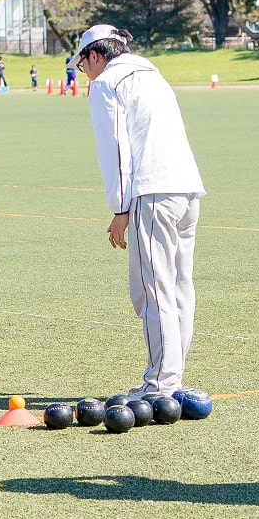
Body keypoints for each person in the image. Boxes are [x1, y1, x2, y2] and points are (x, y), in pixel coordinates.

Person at [76, 24, 205, 397]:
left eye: (83, 65)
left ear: (95, 55)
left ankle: (161, 382)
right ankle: (172, 376)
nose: (85, 73)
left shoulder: (107, 84)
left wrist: (120, 209)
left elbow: (115, 150)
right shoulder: (154, 75)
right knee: (179, 285)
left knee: (153, 289)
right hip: (187, 188)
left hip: (152, 191)